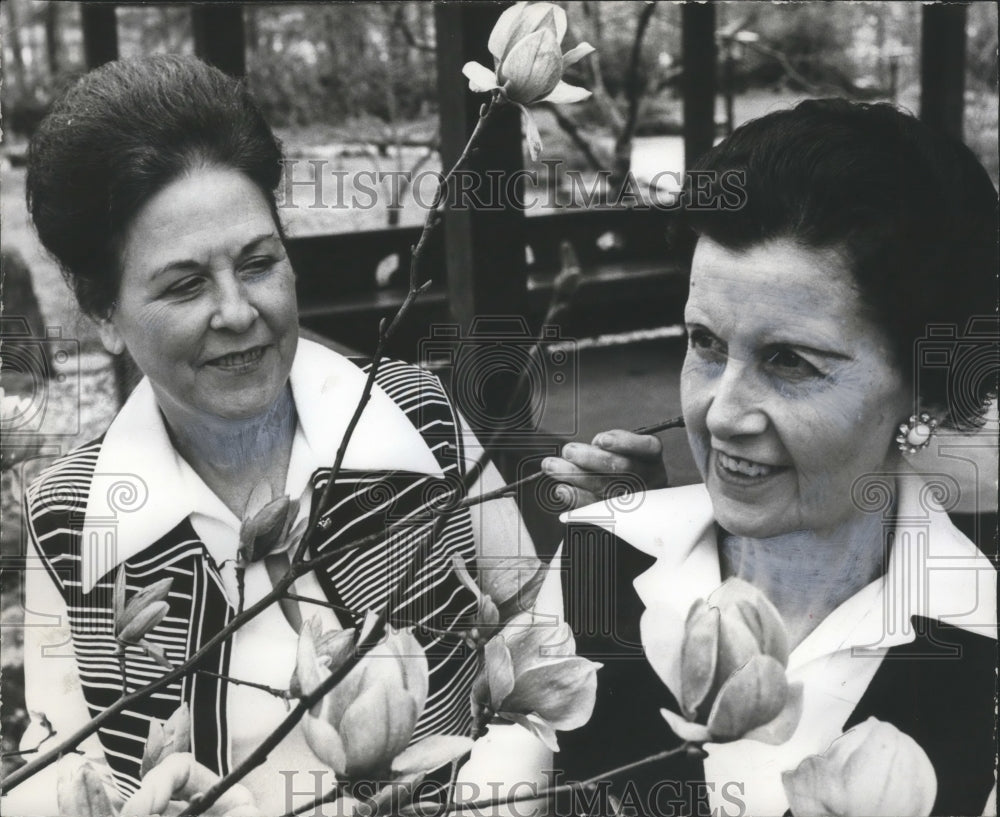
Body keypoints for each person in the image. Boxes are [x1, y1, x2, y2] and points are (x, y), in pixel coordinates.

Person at [6, 55, 550, 817]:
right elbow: (60, 759)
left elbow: (540, 647)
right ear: (103, 314)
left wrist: (506, 782)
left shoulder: (416, 424)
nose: (236, 311)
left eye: (259, 262)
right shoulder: (71, 519)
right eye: (185, 283)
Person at [549, 99, 998, 816]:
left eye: (789, 360)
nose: (721, 413)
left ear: (933, 390)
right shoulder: (594, 564)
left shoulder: (985, 648)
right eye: (705, 342)